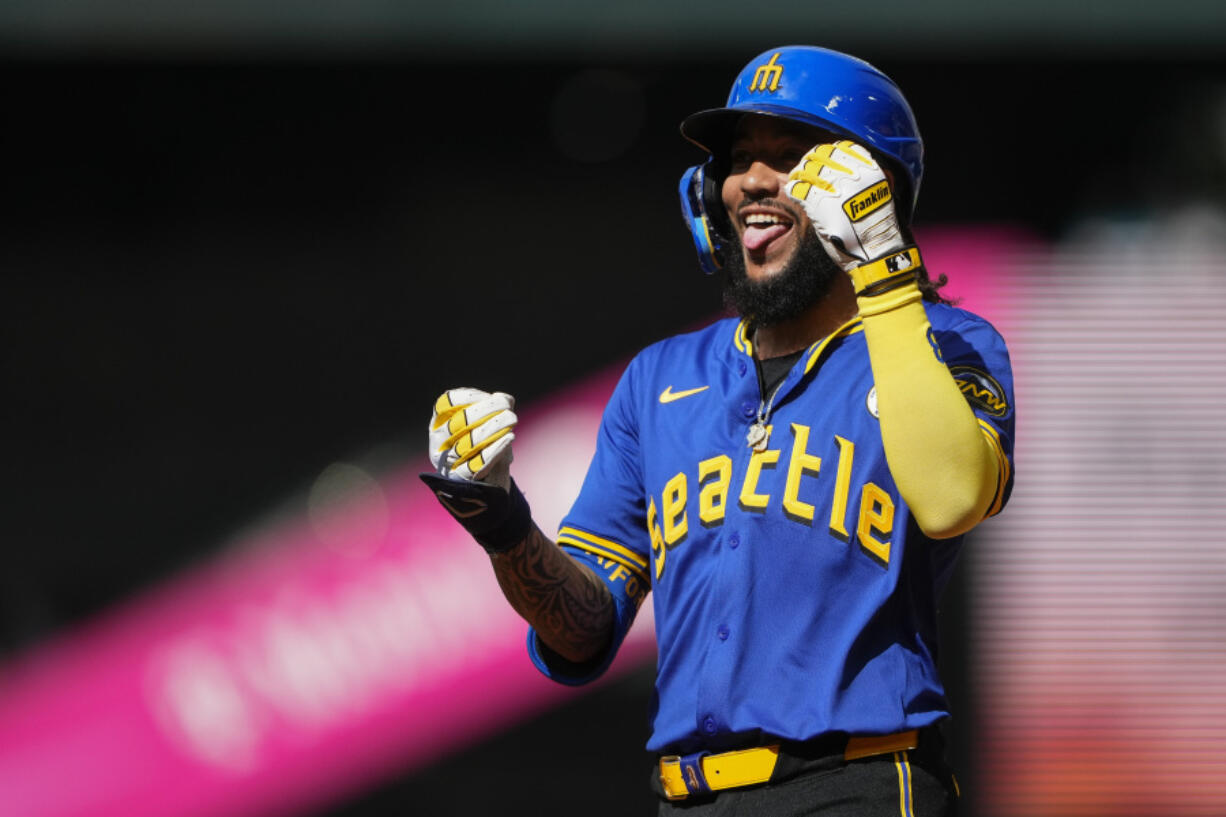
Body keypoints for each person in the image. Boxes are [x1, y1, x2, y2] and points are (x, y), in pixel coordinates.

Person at [420, 45, 1015, 816]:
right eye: (738, 159)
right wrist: (498, 520)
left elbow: (952, 498)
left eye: (792, 155)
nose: (754, 180)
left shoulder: (947, 344)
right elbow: (583, 629)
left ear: (871, 187)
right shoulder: (660, 378)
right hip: (689, 798)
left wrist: (884, 267)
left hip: (859, 784)